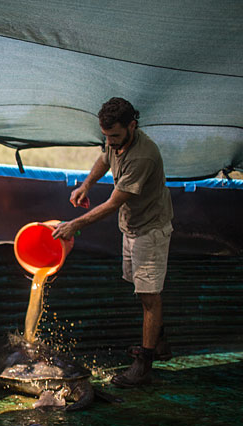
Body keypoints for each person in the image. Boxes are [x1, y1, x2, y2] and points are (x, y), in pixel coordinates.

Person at [52, 97, 174, 388]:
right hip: (131, 227)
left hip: (150, 230)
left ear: (132, 126)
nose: (111, 142)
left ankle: (144, 364)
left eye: (116, 136)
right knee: (141, 289)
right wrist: (85, 185)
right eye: (106, 136)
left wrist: (75, 224)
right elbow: (105, 158)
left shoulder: (143, 156)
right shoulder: (114, 141)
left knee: (149, 294)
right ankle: (158, 341)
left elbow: (114, 203)